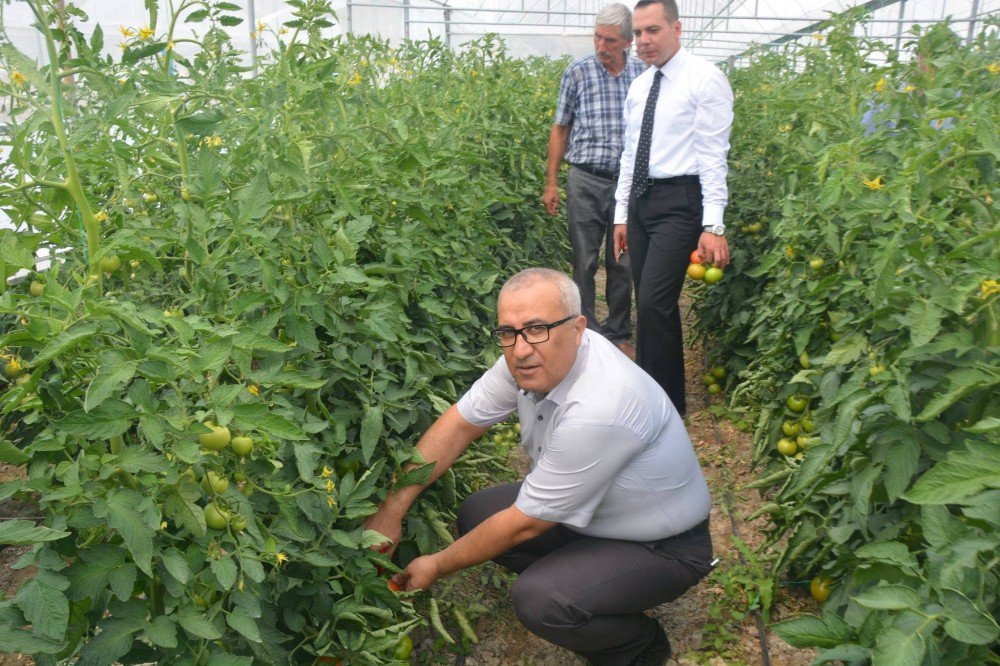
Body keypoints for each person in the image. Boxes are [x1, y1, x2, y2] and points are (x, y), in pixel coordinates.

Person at [364, 268, 713, 666]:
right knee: (478, 514)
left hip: (664, 547)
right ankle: (590, 584)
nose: (521, 347)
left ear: (578, 328)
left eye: (537, 328)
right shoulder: (528, 359)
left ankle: (638, 646)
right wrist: (391, 510)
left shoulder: (603, 405)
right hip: (597, 519)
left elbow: (526, 523)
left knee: (540, 599)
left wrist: (437, 564)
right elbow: (459, 425)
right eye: (508, 333)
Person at [612, 0, 734, 416]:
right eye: (639, 33)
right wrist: (622, 214)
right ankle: (652, 391)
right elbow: (630, 153)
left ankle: (667, 406)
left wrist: (713, 224)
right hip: (642, 201)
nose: (644, 41)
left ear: (677, 28)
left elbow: (714, 153)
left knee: (654, 303)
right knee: (644, 300)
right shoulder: (640, 85)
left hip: (681, 202)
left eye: (653, 30)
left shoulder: (704, 78)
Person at [543, 3, 647, 359]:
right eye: (597, 37)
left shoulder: (643, 74)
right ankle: (584, 328)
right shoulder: (578, 72)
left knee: (622, 258)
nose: (601, 45)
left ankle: (619, 331)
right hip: (585, 179)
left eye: (610, 40)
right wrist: (552, 182)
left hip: (627, 182)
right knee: (584, 258)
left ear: (627, 42)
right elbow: (560, 128)